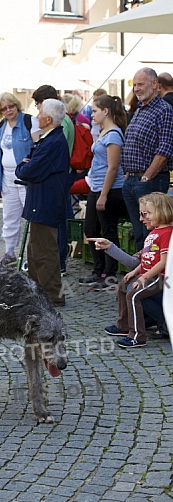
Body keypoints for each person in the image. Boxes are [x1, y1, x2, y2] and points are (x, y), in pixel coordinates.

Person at [101, 192, 173, 348]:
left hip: (160, 278)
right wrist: (135, 272)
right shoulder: (154, 232)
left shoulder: (167, 233)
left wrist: (143, 277)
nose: (141, 218)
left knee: (134, 296)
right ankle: (123, 325)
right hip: (148, 275)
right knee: (122, 287)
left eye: (145, 214)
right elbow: (148, 259)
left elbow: (164, 262)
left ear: (161, 211)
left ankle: (137, 336)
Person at [15, 99, 69, 306]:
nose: (36, 117)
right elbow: (29, 164)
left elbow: (29, 169)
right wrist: (25, 166)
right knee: (36, 250)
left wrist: (23, 167)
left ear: (48, 119)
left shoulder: (53, 142)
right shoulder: (48, 138)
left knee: (45, 251)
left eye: (39, 114)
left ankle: (51, 294)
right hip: (41, 199)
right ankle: (38, 292)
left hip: (46, 201)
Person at [79, 95, 128, 290]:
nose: (92, 114)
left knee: (108, 231)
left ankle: (110, 273)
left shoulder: (114, 135)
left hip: (109, 189)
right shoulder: (102, 132)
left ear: (105, 111)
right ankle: (98, 269)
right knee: (90, 229)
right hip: (96, 186)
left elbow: (113, 167)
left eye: (95, 110)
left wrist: (104, 194)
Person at [121, 67, 173, 251]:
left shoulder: (164, 110)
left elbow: (165, 149)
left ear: (155, 84)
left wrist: (147, 177)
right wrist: (129, 175)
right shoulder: (141, 110)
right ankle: (141, 274)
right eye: (134, 84)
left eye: (140, 84)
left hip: (149, 180)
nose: (136, 88)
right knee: (139, 234)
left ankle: (152, 276)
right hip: (133, 179)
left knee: (151, 235)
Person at [32, 85, 75, 275]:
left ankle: (59, 262)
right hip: (58, 176)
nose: (37, 111)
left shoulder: (61, 123)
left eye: (39, 105)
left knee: (58, 220)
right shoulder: (62, 121)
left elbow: (54, 151)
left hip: (57, 178)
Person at [0, 93, 39, 264]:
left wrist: (33, 161)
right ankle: (9, 252)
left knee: (30, 217)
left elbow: (38, 145)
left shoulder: (28, 121)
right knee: (9, 216)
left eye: (11, 106)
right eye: (4, 108)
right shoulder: (1, 125)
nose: (8, 110)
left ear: (16, 105)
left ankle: (30, 254)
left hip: (25, 178)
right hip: (7, 177)